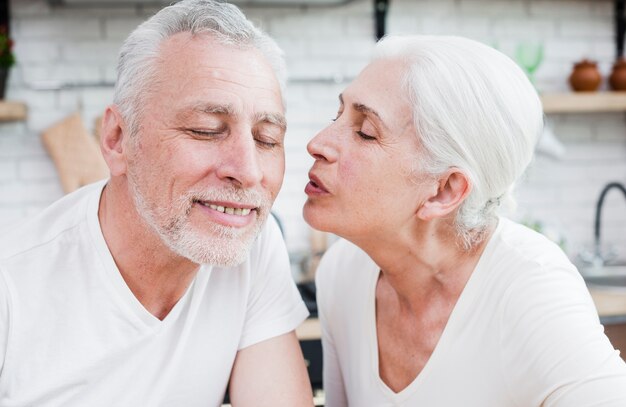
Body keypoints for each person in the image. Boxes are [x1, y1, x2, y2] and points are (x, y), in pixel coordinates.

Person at [0, 1, 313, 406]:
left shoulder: (252, 243)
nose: (249, 171)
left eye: (267, 138)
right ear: (117, 139)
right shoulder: (12, 285)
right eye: (206, 130)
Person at [304, 35, 626, 406]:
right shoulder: (341, 273)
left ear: (444, 191)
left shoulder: (530, 288)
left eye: (365, 132)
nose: (317, 142)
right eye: (337, 115)